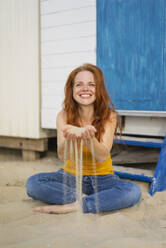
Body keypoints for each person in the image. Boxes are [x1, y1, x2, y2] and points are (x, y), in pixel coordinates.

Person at [26, 63, 141, 214]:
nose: (85, 89)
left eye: (91, 84)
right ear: (72, 90)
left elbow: (102, 156)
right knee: (33, 183)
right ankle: (85, 199)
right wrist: (70, 137)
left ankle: (76, 205)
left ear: (98, 89)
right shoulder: (63, 115)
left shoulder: (109, 116)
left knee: (133, 191)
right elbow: (63, 156)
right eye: (79, 84)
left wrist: (88, 137)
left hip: (103, 178)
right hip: (69, 177)